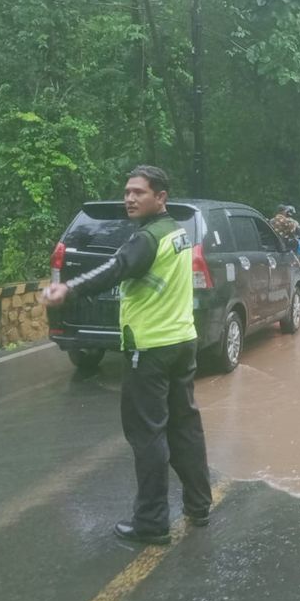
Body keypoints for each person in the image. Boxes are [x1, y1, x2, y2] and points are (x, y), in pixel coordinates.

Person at [41, 165, 211, 546]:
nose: (130, 198)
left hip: (149, 349)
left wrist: (67, 290)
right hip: (182, 341)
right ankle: (199, 505)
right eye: (128, 192)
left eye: (139, 192)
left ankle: (152, 522)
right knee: (184, 426)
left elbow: (114, 269)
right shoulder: (177, 233)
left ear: (160, 197)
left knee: (147, 435)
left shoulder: (147, 239)